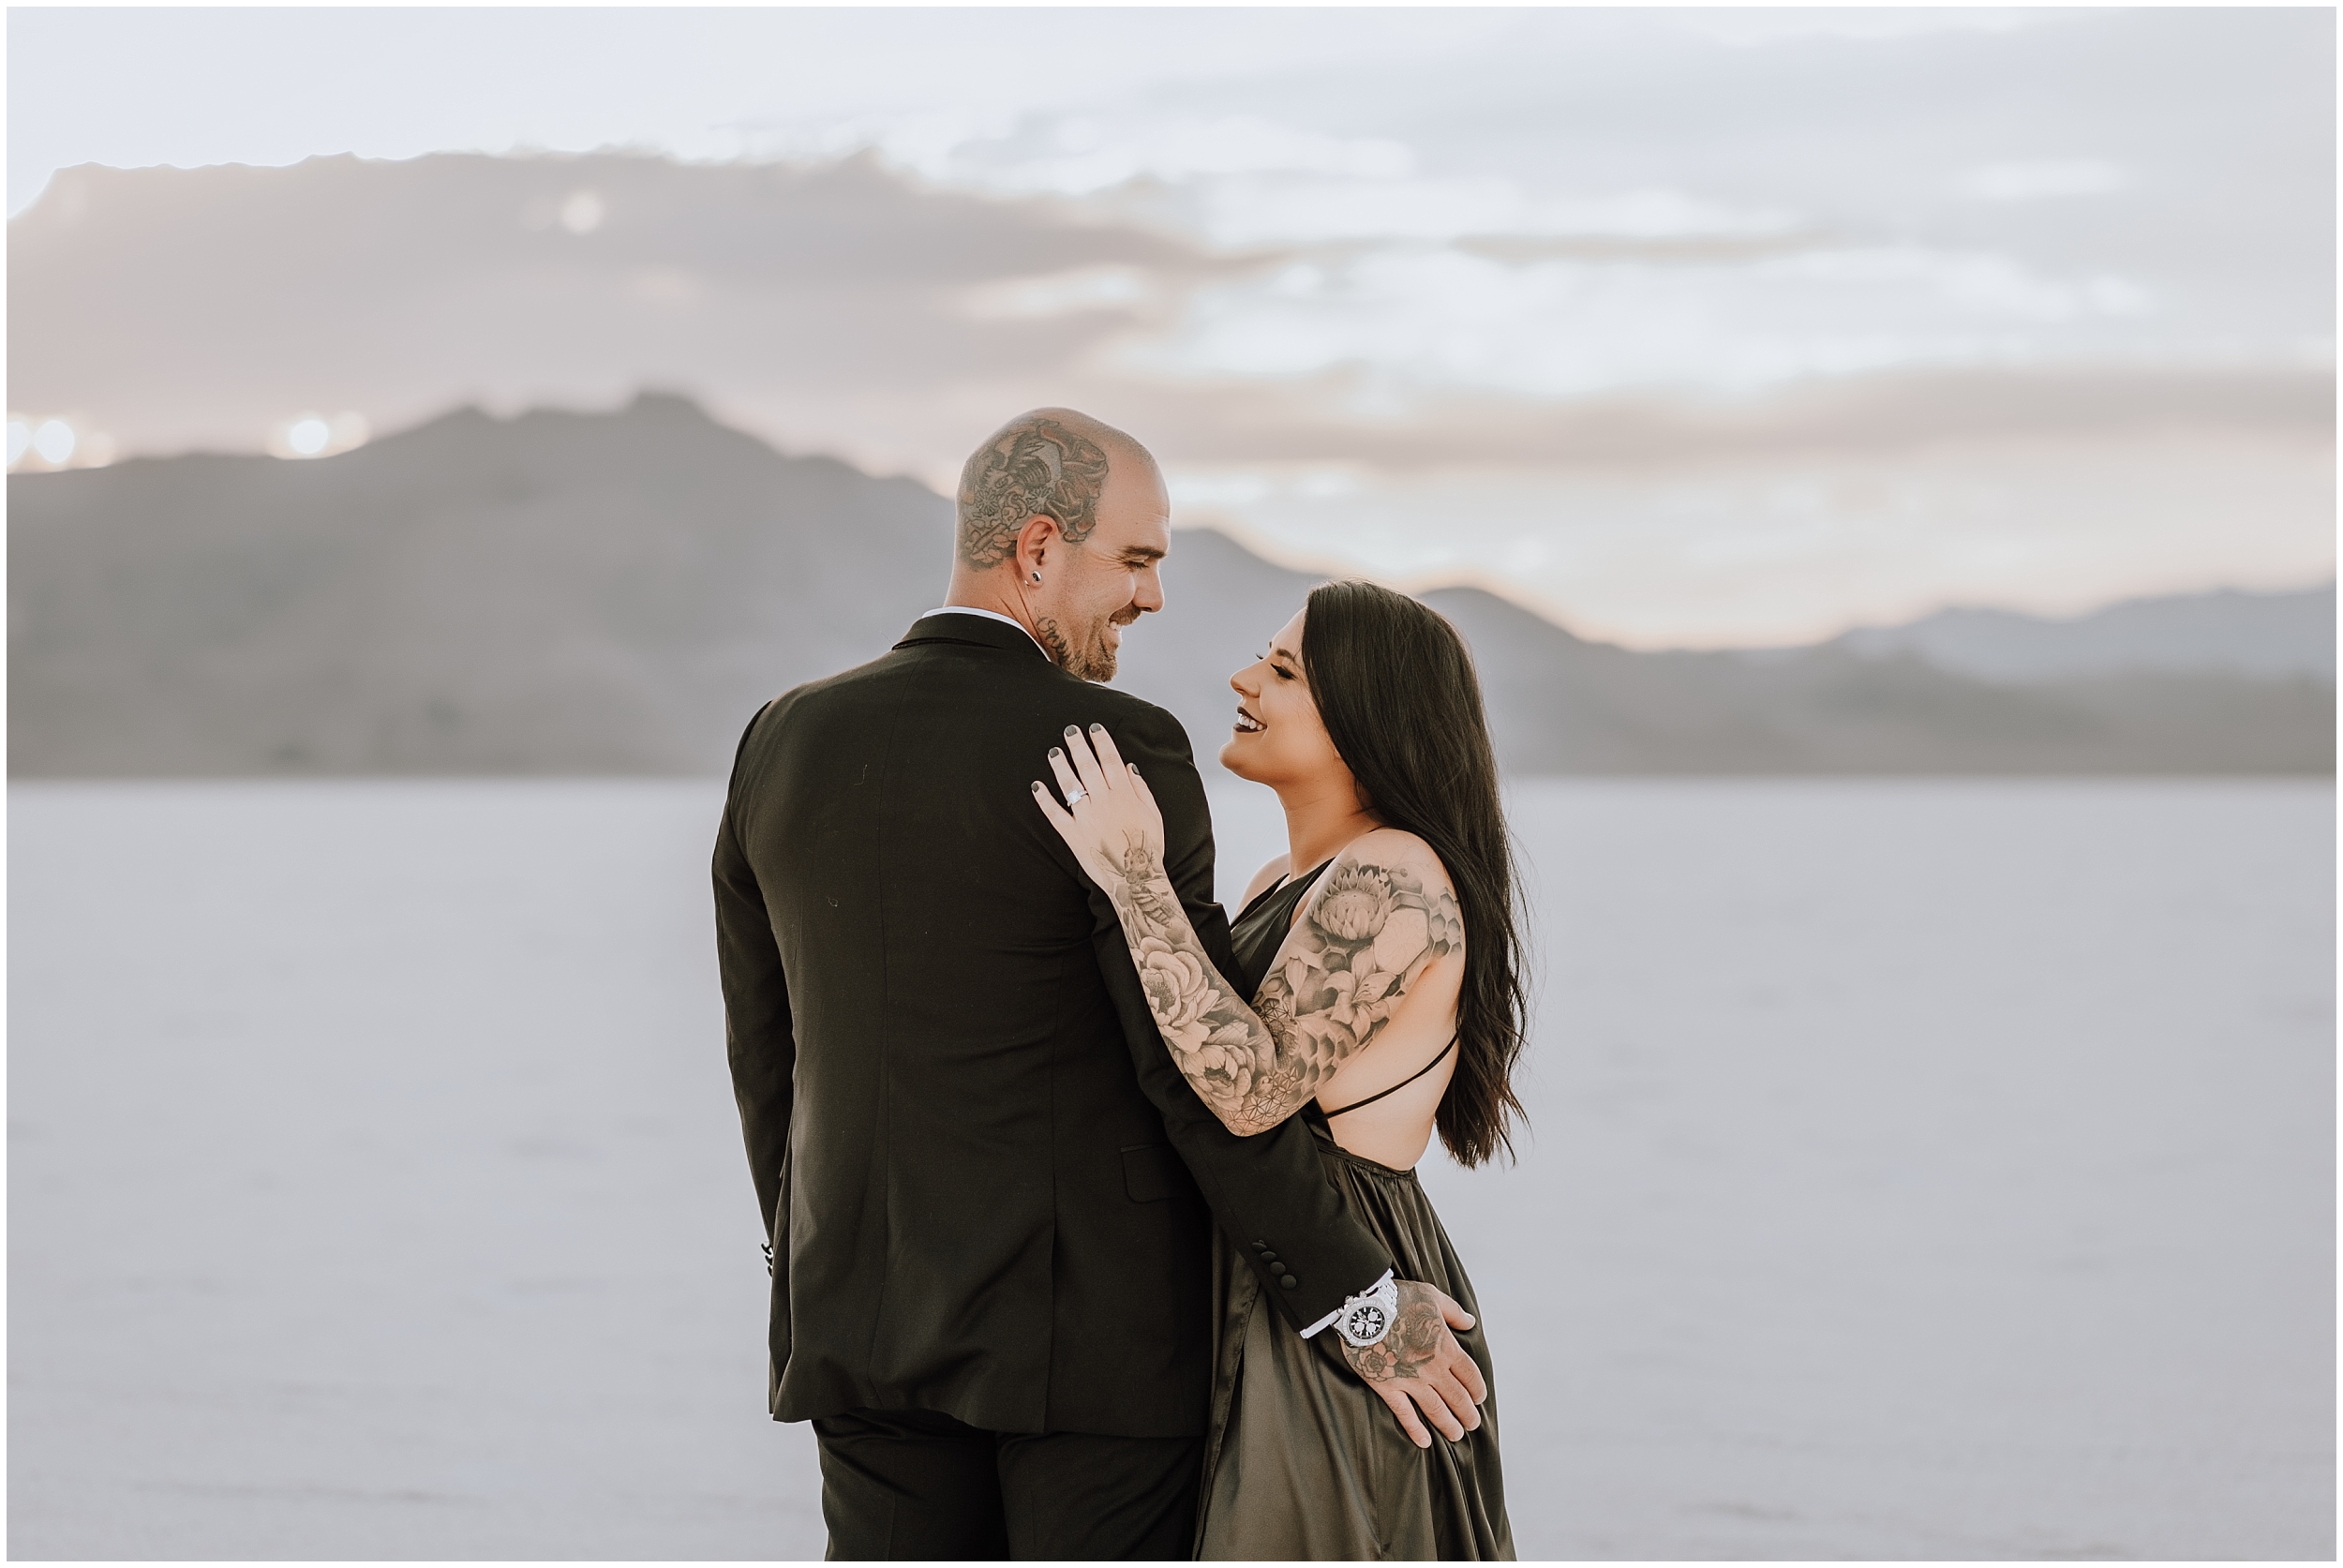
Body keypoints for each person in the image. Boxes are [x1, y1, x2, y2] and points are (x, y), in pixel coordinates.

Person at [713, 410, 1487, 1560]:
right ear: (1037, 549)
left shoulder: (783, 736)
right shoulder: (1110, 744)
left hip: (858, 1320)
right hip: (1090, 1343)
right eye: (1136, 560)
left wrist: (811, 1252)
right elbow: (1186, 1075)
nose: (1152, 598)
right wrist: (1359, 1302)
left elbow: (765, 1050)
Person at [1034, 578, 1525, 1560]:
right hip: (1261, 1258)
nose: (1242, 677)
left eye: (1283, 669)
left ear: (1365, 717)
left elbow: (1246, 1088)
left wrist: (1135, 877)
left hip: (1343, 1275)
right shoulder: (1283, 879)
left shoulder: (1396, 875)